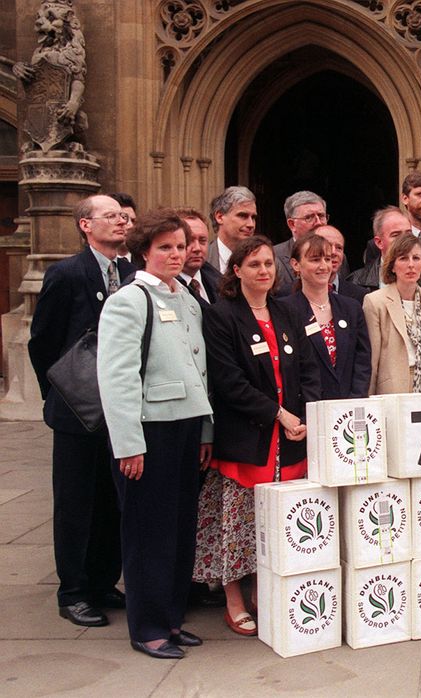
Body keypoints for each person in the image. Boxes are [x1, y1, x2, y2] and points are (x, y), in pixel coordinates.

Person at [97, 208, 213, 658]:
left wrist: (205, 430)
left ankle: (171, 617)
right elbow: (118, 377)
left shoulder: (185, 299)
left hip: (186, 429)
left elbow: (198, 369)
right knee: (149, 532)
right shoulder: (128, 300)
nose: (175, 254)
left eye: (181, 247)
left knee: (181, 529)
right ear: (144, 250)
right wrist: (128, 443)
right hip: (148, 433)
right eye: (165, 247)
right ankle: (147, 628)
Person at [195, 236, 321, 636]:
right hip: (249, 440)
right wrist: (279, 414)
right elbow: (229, 383)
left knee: (274, 526)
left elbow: (307, 370)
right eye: (254, 265)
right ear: (236, 271)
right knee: (239, 526)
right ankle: (234, 599)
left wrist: (306, 416)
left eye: (269, 263)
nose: (264, 271)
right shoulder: (222, 316)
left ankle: (262, 591)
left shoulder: (287, 311)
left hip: (290, 440)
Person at [28, 195, 130, 628]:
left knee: (111, 499)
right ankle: (73, 590)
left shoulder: (130, 273)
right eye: (110, 216)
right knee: (76, 501)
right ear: (85, 225)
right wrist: (60, 392)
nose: (121, 222)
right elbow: (43, 342)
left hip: (120, 410)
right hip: (76, 410)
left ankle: (104, 581)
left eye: (123, 216)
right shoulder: (66, 273)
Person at [279, 234, 371, 399]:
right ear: (296, 264)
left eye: (327, 259)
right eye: (315, 260)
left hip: (347, 409)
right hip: (306, 410)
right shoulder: (284, 310)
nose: (323, 266)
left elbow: (362, 361)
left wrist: (354, 400)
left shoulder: (351, 308)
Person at [363, 234, 421, 394]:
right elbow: (372, 360)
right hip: (394, 389)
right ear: (392, 266)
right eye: (403, 258)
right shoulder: (375, 302)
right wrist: (369, 399)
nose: (411, 265)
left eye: (416, 258)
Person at [274, 191, 330, 291]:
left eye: (321, 216)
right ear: (292, 224)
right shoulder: (274, 256)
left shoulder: (338, 256)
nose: (318, 223)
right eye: (309, 217)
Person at [349, 206, 411, 292]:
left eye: (408, 234)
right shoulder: (356, 282)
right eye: (396, 235)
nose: (404, 240)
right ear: (379, 242)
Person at [176, 207, 222, 307]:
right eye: (189, 240)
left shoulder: (221, 285)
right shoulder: (164, 287)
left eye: (202, 241)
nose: (197, 248)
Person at [206, 186, 257, 272]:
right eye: (242, 216)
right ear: (220, 217)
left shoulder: (264, 261)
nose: (251, 224)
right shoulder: (202, 260)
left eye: (253, 217)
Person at [312, 224, 366, 302]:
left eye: (339, 248)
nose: (334, 252)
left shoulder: (360, 295)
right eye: (328, 245)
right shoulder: (290, 294)